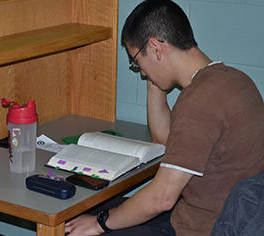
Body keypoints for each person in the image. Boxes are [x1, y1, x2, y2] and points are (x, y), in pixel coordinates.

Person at [64, 0, 264, 235]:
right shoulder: (234, 80)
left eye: (136, 61)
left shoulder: (200, 101)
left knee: (80, 223)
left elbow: (162, 198)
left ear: (157, 48)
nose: (141, 70)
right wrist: (154, 77)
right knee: (103, 209)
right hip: (222, 217)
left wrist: (100, 223)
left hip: (202, 228)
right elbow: (166, 140)